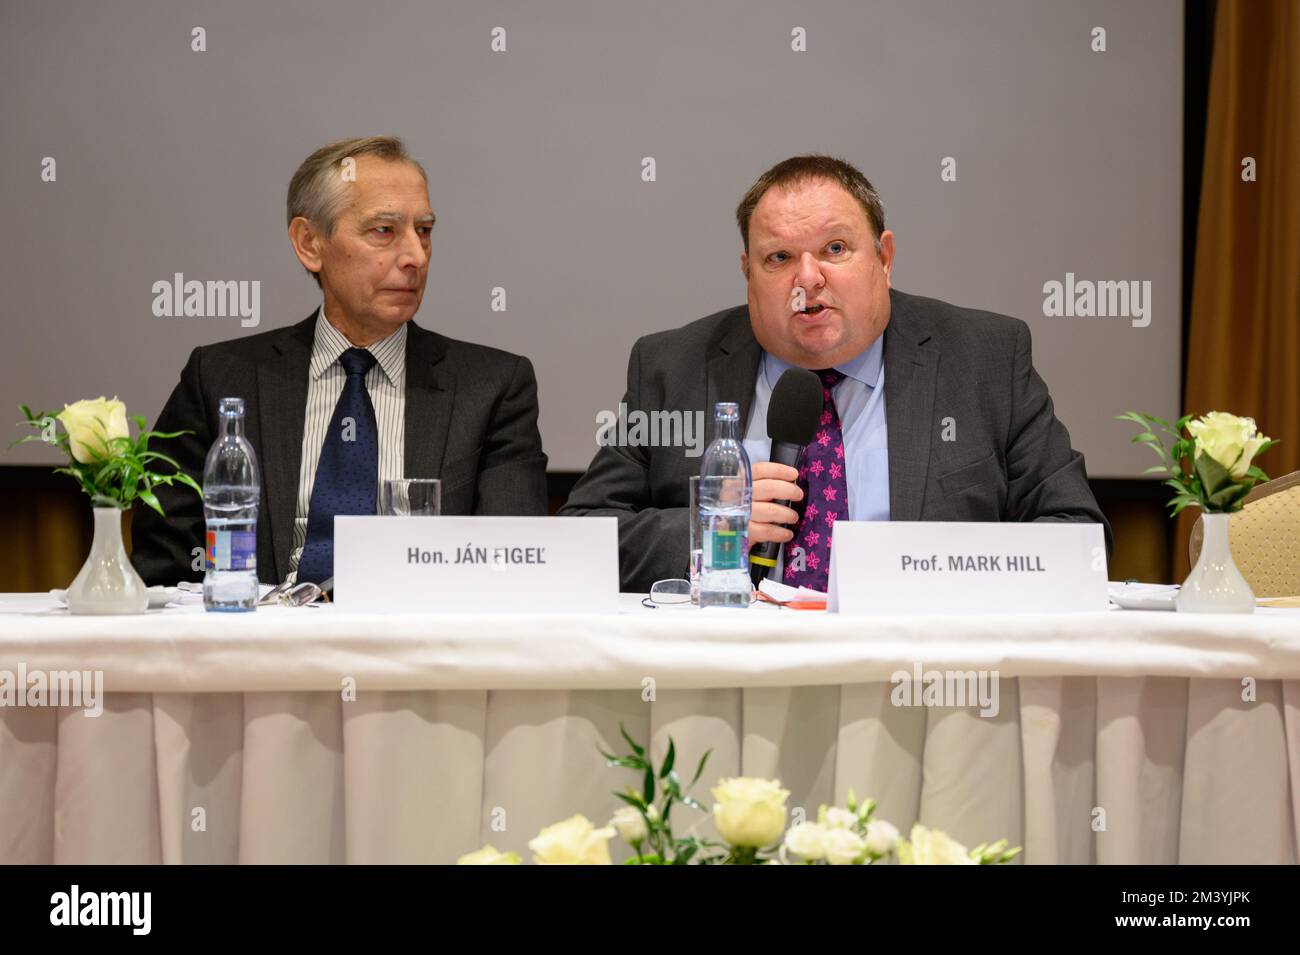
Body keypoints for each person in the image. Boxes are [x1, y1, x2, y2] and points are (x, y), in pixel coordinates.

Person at [560, 154, 1110, 593]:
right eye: (778, 259)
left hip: (919, 665)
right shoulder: (673, 365)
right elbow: (580, 537)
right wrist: (711, 530)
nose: (808, 280)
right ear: (747, 271)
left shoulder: (983, 359)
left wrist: (935, 576)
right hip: (730, 667)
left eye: (835, 249)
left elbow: (1079, 536)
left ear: (884, 258)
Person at [132, 136, 547, 587]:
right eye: (383, 231)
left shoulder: (493, 387)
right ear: (309, 242)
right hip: (259, 644)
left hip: (418, 647)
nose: (414, 256)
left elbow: (512, 574)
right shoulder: (221, 378)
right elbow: (164, 570)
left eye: (423, 230)